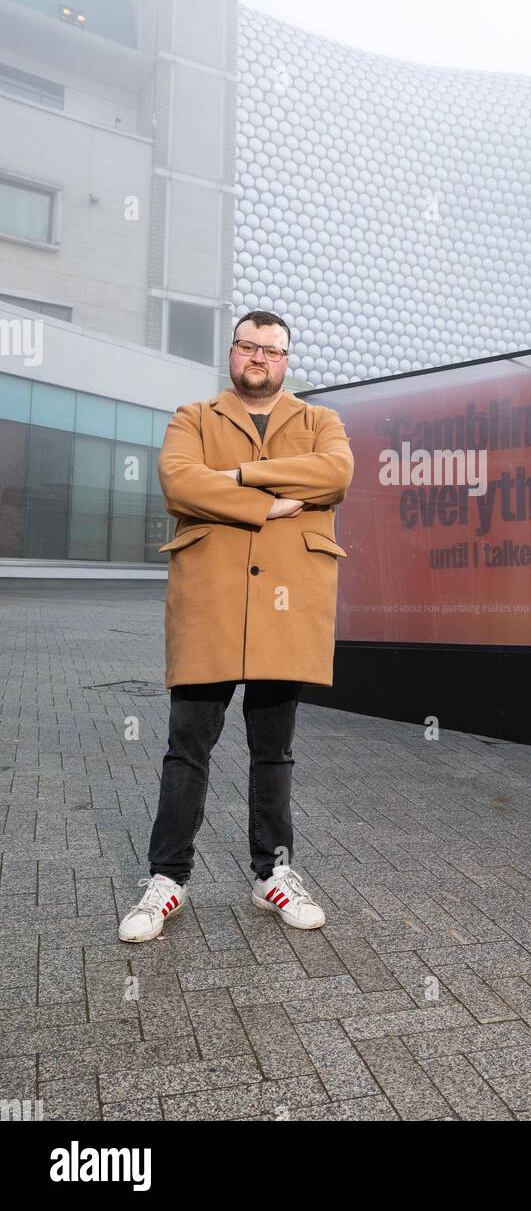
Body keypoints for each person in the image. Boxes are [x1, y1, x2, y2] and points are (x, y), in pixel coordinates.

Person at [119, 310, 353, 942]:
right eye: (249, 346)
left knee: (273, 751)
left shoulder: (320, 421)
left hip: (287, 607)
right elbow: (179, 481)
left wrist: (241, 478)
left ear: (286, 360)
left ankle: (272, 874)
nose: (259, 357)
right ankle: (167, 880)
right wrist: (268, 505)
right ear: (232, 353)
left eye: (271, 350)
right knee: (187, 747)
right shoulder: (192, 417)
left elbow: (334, 474)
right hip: (212, 604)